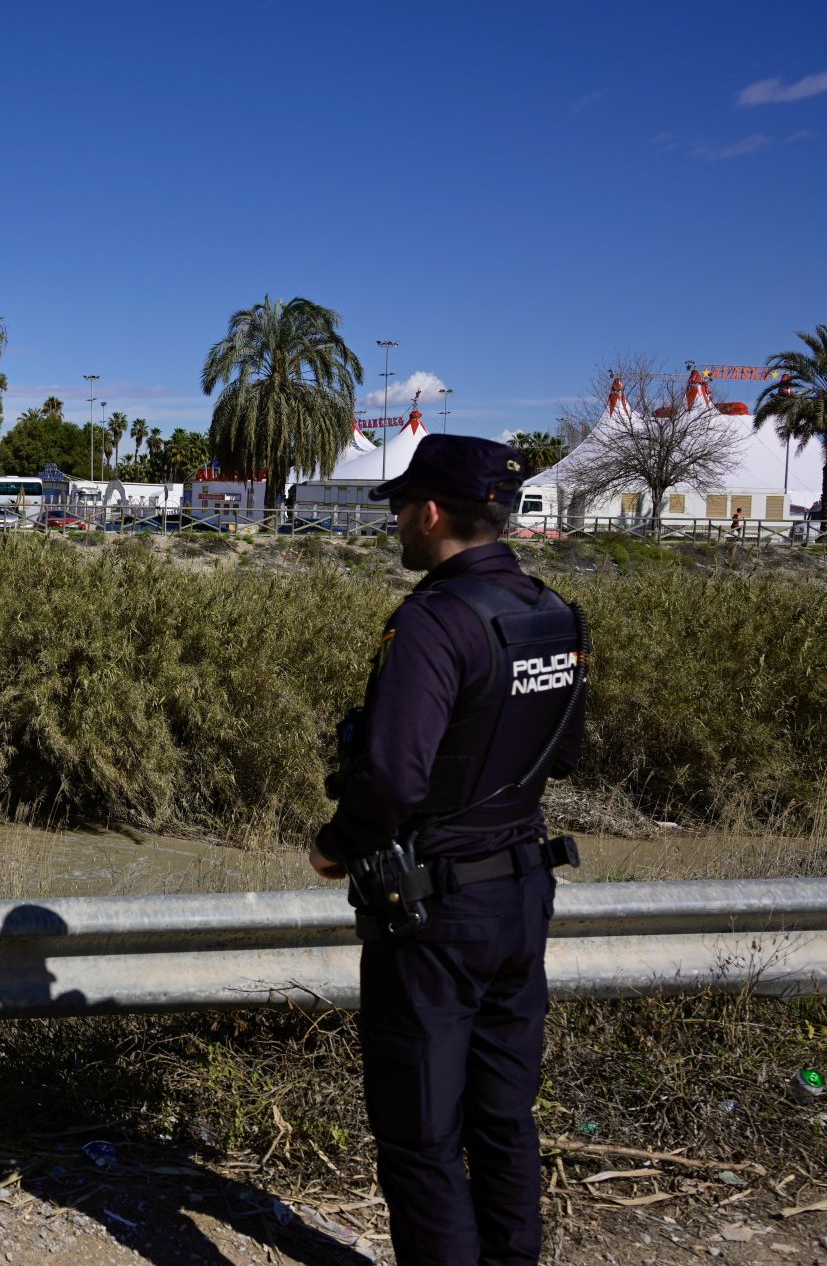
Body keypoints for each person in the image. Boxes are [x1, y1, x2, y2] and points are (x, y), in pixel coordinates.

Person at [308, 435, 587, 1266]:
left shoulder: (433, 621)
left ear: (429, 513)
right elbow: (561, 756)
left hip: (433, 912)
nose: (396, 523)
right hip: (524, 896)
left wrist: (334, 847)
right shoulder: (553, 613)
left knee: (421, 1134)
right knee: (504, 1119)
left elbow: (393, 777)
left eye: (401, 509)